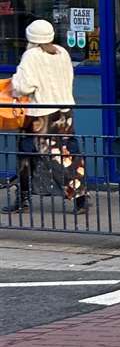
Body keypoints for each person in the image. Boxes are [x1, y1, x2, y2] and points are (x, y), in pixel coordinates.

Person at [3, 20, 87, 214]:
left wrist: (15, 80)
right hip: (64, 111)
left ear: (30, 37)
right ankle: (81, 198)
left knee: (27, 155)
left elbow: (23, 87)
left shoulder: (31, 56)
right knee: (68, 154)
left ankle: (23, 199)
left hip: (40, 114)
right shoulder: (61, 52)